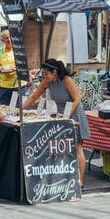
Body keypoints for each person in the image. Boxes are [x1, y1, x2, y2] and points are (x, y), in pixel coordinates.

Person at [21, 59, 91, 189]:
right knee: (61, 148)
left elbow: (77, 99)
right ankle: (64, 177)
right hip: (60, 116)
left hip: (73, 115)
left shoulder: (67, 80)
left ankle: (80, 181)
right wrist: (19, 110)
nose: (45, 76)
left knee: (77, 147)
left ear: (55, 72)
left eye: (47, 73)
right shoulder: (48, 81)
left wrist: (67, 116)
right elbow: (33, 97)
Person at [0, 30, 27, 106]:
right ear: (2, 40)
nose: (9, 39)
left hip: (18, 86)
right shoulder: (0, 52)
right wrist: (2, 69)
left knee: (17, 110)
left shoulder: (19, 49)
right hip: (4, 87)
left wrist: (16, 68)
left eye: (10, 37)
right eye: (6, 38)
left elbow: (26, 64)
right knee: (5, 110)